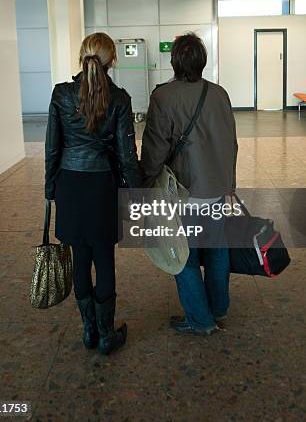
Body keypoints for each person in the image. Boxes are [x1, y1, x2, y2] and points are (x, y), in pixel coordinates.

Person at [45, 32, 140, 355]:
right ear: (112, 60)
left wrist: (49, 189)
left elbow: (52, 148)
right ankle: (106, 333)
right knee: (105, 259)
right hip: (102, 186)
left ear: (81, 57)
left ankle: (88, 331)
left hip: (69, 185)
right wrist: (136, 193)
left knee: (80, 258)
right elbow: (127, 156)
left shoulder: (61, 94)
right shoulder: (120, 99)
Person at [140, 33, 238, 335]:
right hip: (217, 190)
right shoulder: (219, 94)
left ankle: (200, 319)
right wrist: (229, 184)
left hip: (185, 192)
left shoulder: (164, 97)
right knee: (218, 251)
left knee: (184, 255)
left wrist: (144, 182)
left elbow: (155, 148)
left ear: (174, 61)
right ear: (202, 61)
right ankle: (219, 308)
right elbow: (231, 143)